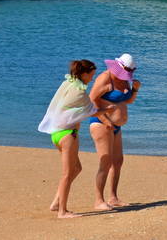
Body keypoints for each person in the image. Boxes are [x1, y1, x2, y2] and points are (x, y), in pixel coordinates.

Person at [38, 59, 108, 218]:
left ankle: (57, 203)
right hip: (68, 135)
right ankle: (62, 212)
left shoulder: (68, 83)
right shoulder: (80, 92)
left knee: (76, 169)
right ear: (84, 74)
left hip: (57, 134)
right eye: (91, 75)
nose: (92, 78)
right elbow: (92, 111)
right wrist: (109, 108)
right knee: (67, 173)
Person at [89, 53, 142, 210]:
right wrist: (105, 120)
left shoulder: (124, 80)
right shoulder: (105, 78)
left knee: (118, 161)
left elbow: (128, 100)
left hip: (116, 127)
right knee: (105, 162)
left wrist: (135, 90)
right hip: (101, 124)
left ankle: (113, 197)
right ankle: (98, 200)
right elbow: (91, 100)